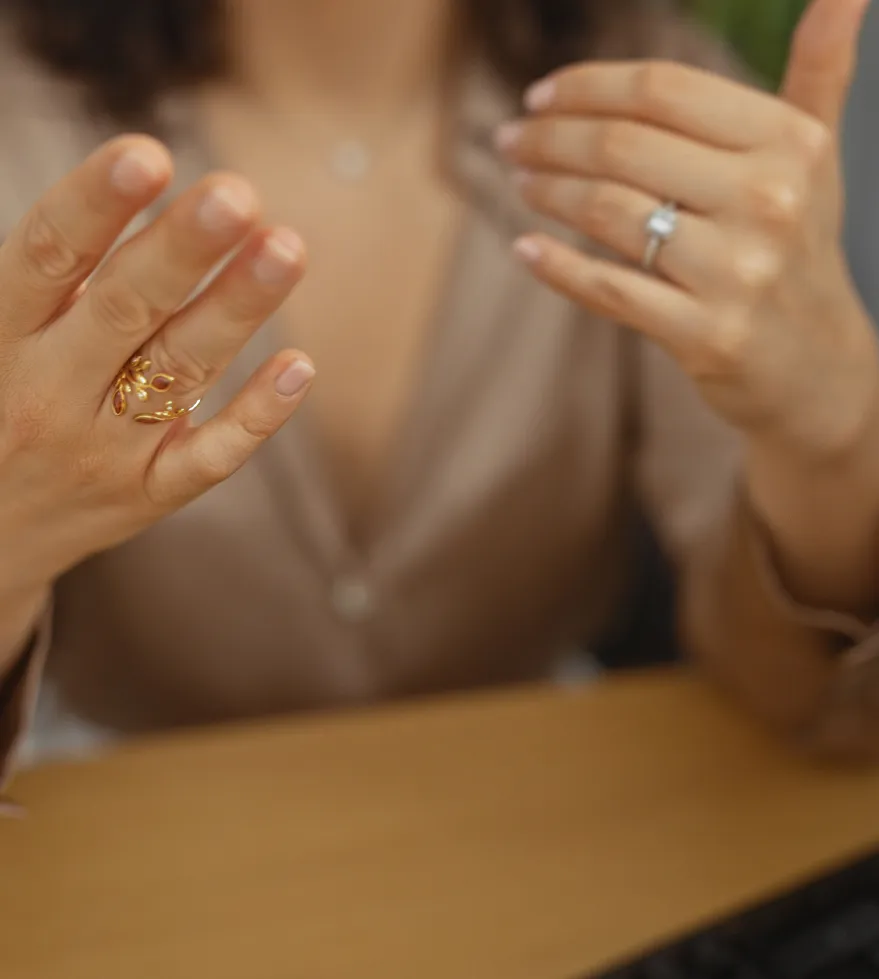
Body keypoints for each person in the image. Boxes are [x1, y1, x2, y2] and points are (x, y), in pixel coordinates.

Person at [1, 0, 878, 796]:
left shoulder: (653, 111)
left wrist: (832, 447)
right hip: (117, 841)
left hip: (539, 834)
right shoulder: (23, 122)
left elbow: (806, 702)